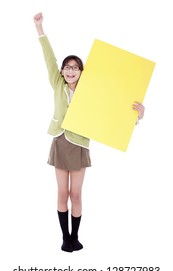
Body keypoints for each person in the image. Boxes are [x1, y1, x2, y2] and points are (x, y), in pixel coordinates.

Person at [33, 12, 145, 253]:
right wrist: (40, 29)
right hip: (61, 141)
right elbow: (49, 58)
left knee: (77, 194)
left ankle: (76, 236)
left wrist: (137, 115)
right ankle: (65, 238)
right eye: (67, 67)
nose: (70, 71)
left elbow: (112, 111)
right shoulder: (58, 83)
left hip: (81, 143)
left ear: (82, 72)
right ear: (62, 71)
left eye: (75, 68)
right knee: (62, 192)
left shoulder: (90, 92)